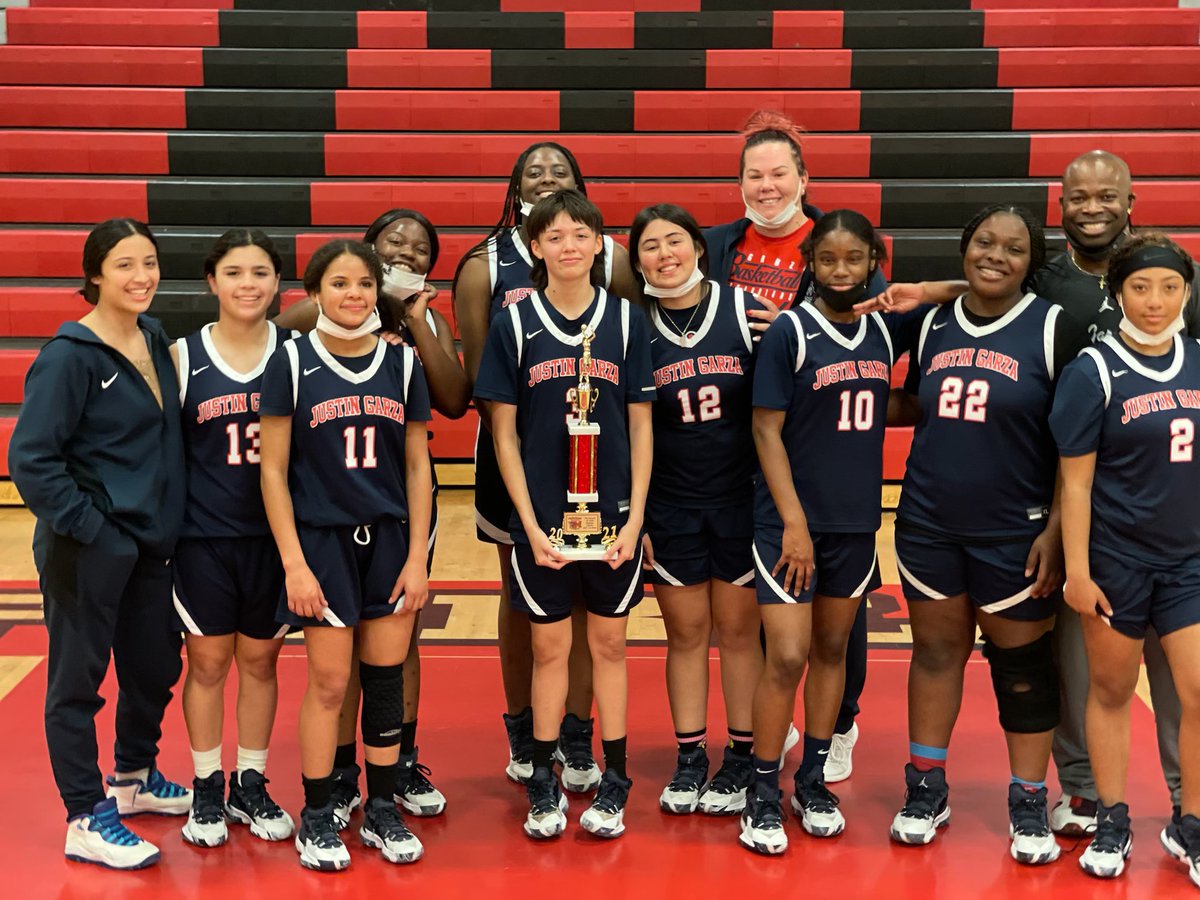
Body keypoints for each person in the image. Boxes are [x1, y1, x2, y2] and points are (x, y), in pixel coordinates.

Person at [863, 150, 1196, 837]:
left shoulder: (1104, 305)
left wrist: (1052, 527)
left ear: (1132, 201)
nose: (1092, 207)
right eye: (1078, 196)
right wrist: (928, 293)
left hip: (1099, 515)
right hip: (996, 518)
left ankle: (1158, 808)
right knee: (1005, 660)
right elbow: (980, 293)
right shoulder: (990, 303)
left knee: (1135, 676)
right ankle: (1002, 790)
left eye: (1107, 195)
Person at [887, 205, 1086, 866]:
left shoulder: (1055, 327)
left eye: (1014, 248)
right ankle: (926, 787)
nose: (996, 255)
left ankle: (1028, 798)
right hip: (929, 523)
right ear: (964, 247)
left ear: (1032, 262)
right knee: (935, 654)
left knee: (1022, 667)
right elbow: (915, 400)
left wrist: (1057, 529)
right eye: (984, 243)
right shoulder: (933, 322)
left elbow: (1077, 443)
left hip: (1017, 532)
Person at [703, 110, 887, 781]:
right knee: (769, 603)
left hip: (818, 445)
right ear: (739, 184)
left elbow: (865, 331)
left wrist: (797, 328)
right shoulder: (716, 246)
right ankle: (767, 729)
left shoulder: (840, 248)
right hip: (737, 438)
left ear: (804, 179)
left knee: (838, 613)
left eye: (779, 173)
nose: (767, 185)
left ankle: (840, 721)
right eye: (754, 175)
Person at [454, 141, 638, 790]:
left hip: (597, 456)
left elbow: (628, 350)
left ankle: (578, 732)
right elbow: (483, 381)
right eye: (534, 171)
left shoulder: (610, 257)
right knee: (523, 596)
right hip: (519, 454)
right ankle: (525, 726)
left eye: (560, 170)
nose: (547, 178)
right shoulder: (483, 263)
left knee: (589, 605)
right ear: (515, 188)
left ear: (580, 186)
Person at [9, 218, 190, 869]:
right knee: (77, 684)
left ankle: (134, 776)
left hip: (151, 545)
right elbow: (31, 459)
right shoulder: (69, 356)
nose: (142, 277)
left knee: (155, 666)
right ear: (95, 274)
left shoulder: (153, 335)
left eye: (149, 262)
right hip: (87, 547)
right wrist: (93, 531)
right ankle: (85, 814)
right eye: (125, 265)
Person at [259, 239, 432, 870]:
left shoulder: (402, 363)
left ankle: (381, 807)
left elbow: (418, 467)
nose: (353, 294)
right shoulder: (291, 359)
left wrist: (417, 558)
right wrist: (294, 563)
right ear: (314, 293)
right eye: (338, 283)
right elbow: (272, 471)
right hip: (322, 543)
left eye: (363, 283)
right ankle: (317, 812)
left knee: (384, 682)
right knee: (330, 682)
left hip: (388, 540)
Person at [740, 211, 895, 855]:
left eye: (854, 258)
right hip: (789, 525)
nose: (840, 270)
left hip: (855, 521)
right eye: (827, 258)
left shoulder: (884, 327)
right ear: (810, 263)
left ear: (873, 262)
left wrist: (908, 291)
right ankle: (760, 789)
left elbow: (962, 292)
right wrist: (794, 524)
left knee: (833, 652)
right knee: (786, 655)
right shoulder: (791, 331)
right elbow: (765, 429)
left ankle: (812, 780)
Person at [1051, 233, 1200, 884]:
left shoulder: (1199, 360)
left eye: (1169, 288)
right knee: (1110, 692)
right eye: (1141, 287)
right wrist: (1077, 572)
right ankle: (1112, 818)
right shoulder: (1093, 371)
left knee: (1198, 693)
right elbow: (1075, 484)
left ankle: (1190, 823)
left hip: (1188, 562)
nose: (1155, 301)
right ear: (1118, 293)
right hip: (1115, 562)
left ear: (1187, 294)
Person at [329, 209, 469, 824]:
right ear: (368, 246)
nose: (406, 253)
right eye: (394, 241)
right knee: (339, 639)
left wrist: (414, 321)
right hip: (331, 495)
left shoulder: (427, 318)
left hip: (403, 493)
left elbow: (455, 399)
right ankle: (339, 771)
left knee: (401, 632)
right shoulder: (323, 311)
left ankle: (401, 759)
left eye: (420, 248)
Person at [630, 204, 764, 817]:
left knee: (738, 632)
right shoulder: (633, 327)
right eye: (650, 245)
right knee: (684, 634)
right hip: (671, 504)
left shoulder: (745, 311)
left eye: (675, 240)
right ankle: (689, 758)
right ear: (636, 261)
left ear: (699, 248)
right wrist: (636, 515)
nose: (665, 254)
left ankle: (741, 755)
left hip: (740, 499)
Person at [171, 230, 295, 848]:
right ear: (211, 281)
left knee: (261, 662)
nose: (248, 284)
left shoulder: (297, 353)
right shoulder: (181, 357)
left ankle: (250, 780)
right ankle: (205, 783)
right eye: (235, 272)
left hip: (274, 541)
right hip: (203, 539)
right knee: (208, 663)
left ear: (278, 283)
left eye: (260, 272)